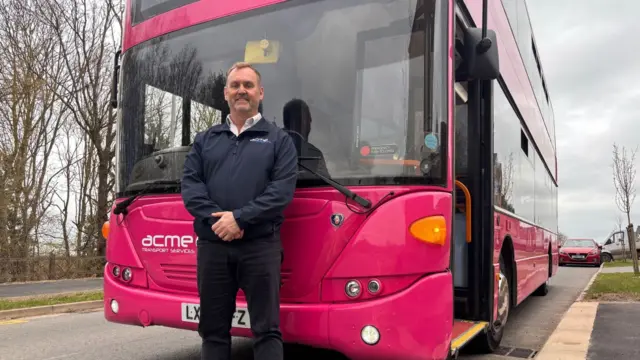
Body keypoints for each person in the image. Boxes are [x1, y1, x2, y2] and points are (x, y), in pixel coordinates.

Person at [181, 61, 298, 360]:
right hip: (213, 248)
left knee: (266, 330)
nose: (241, 91)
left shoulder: (278, 140)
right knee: (213, 331)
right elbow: (191, 188)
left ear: (260, 92)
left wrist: (240, 218)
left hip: (260, 247)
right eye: (235, 85)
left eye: (247, 85)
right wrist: (221, 222)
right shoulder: (205, 140)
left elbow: (281, 191)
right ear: (225, 93)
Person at [281, 98, 330, 179]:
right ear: (304, 121)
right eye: (309, 119)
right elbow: (326, 185)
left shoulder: (270, 148)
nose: (310, 122)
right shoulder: (315, 154)